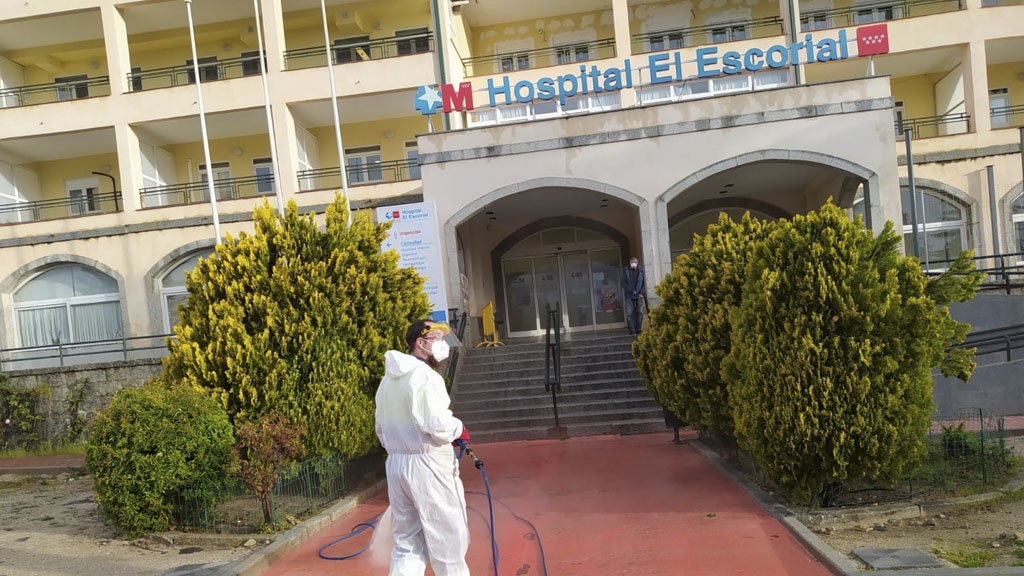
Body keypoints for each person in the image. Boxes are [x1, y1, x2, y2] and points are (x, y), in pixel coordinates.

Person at [375, 319, 471, 576]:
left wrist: (402, 446)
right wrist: (458, 429)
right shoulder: (426, 377)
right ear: (420, 342)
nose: (442, 344)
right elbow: (437, 423)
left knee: (407, 542)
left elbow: (381, 428)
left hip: (397, 466)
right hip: (428, 466)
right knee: (447, 540)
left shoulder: (387, 381)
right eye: (437, 338)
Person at [621, 256, 646, 335]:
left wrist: (641, 292)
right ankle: (631, 329)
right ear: (629, 263)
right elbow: (623, 283)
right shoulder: (626, 271)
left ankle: (638, 329)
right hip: (629, 295)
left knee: (640, 312)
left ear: (637, 263)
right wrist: (631, 290)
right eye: (632, 262)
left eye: (634, 262)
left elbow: (644, 283)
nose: (633, 264)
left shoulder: (641, 270)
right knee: (629, 313)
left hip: (639, 295)